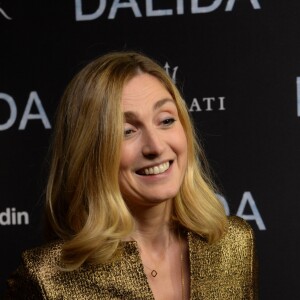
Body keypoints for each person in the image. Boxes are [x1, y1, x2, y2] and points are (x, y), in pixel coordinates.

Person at [5, 51, 257, 299]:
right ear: (89, 151)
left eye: (166, 120)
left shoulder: (234, 244)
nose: (156, 147)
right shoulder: (45, 279)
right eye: (126, 131)